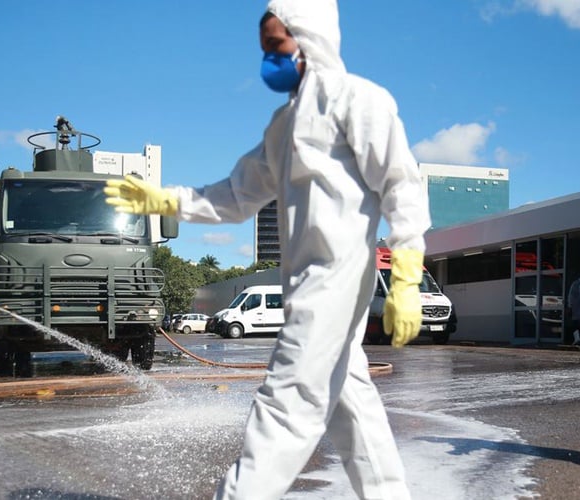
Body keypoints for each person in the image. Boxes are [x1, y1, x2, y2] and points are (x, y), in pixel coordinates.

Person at [104, 1, 429, 497]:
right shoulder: (284, 125)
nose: (267, 62)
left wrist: (406, 278)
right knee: (349, 403)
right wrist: (168, 199)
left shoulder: (359, 101)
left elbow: (403, 186)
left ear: (309, 38)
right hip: (303, 282)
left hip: (339, 273)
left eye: (275, 46)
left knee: (287, 402)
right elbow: (235, 196)